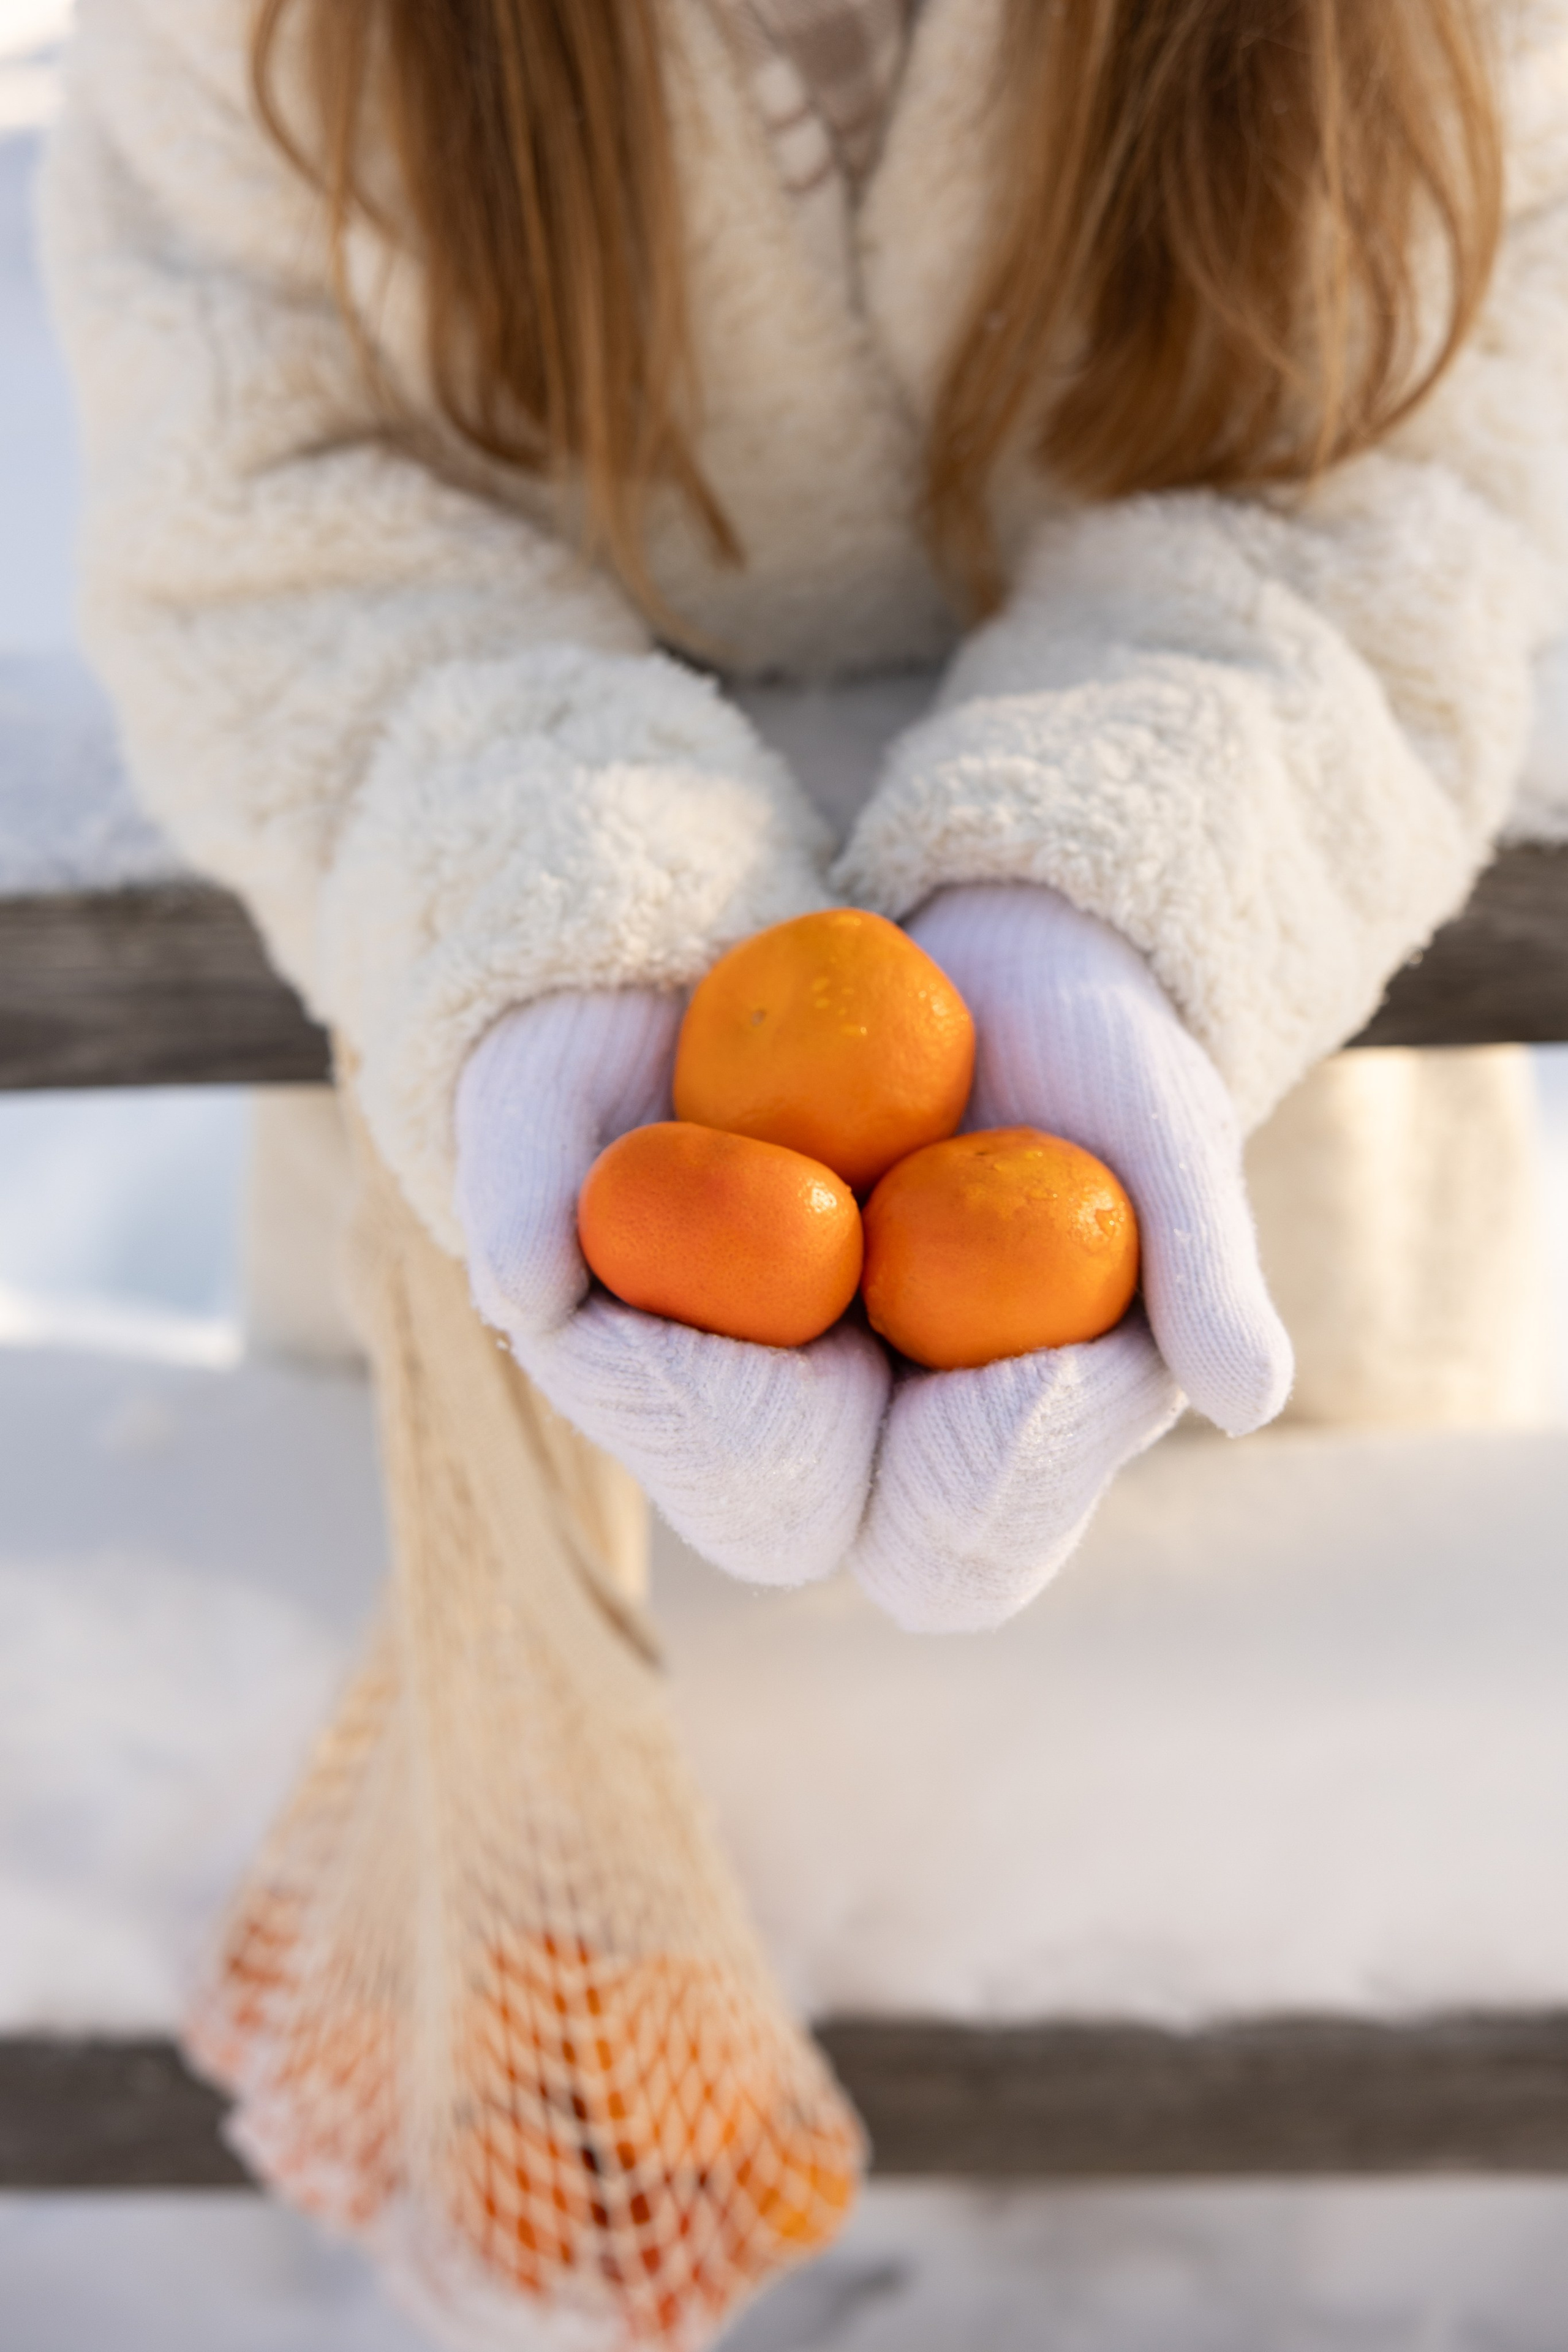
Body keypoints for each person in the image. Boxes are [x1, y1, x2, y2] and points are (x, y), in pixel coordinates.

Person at [40, 0, 1568, 1631]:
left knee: (1304, 1797)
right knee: (527, 1845)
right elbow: (275, 528)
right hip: (501, 1321)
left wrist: (1116, 890)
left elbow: (1416, 474)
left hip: (1284, 1204)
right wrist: (554, 916)